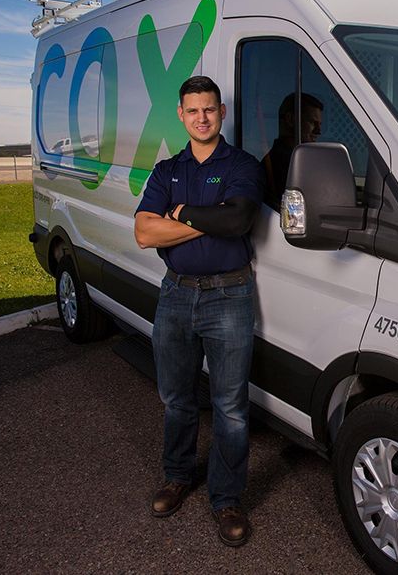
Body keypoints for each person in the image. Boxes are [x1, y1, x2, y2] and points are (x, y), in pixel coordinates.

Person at [133, 75, 263, 547]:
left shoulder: (242, 164)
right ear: (181, 115)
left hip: (229, 296)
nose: (202, 118)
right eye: (193, 111)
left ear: (221, 112)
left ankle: (227, 499)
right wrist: (206, 221)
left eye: (209, 109)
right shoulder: (169, 169)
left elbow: (238, 219)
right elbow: (144, 233)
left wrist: (180, 215)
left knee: (230, 407)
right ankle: (177, 477)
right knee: (176, 399)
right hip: (175, 295)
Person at [261, 92, 323, 207]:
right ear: (290, 120)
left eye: (319, 124)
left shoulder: (300, 161)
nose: (318, 131)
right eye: (313, 123)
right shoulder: (282, 165)